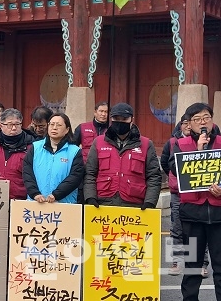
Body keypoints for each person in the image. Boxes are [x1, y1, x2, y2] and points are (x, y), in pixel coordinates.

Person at [170, 103, 221, 298]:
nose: (202, 122)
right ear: (189, 124)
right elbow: (175, 169)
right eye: (197, 119)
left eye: (206, 117)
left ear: (212, 119)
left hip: (218, 213)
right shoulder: (180, 145)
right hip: (192, 213)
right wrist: (198, 152)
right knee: (192, 266)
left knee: (220, 265)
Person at [84, 102, 161, 208]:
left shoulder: (146, 144)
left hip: (135, 205)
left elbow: (154, 176)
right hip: (102, 203)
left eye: (124, 119)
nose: (120, 122)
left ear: (131, 119)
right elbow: (90, 173)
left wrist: (150, 202)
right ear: (111, 119)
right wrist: (90, 197)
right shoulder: (98, 142)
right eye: (116, 119)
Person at [162, 113, 210, 277]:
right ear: (181, 125)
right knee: (176, 229)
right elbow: (166, 163)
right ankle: (177, 261)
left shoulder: (207, 140)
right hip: (178, 194)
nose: (188, 126)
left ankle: (202, 264)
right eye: (185, 123)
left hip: (202, 193)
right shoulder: (173, 143)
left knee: (202, 230)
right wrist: (176, 180)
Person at [23, 113, 84, 204]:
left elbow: (75, 177)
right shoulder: (35, 147)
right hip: (36, 203)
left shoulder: (74, 151)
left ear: (67, 129)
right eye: (51, 124)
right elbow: (27, 172)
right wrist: (35, 193)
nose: (54, 128)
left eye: (59, 125)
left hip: (64, 203)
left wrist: (56, 195)